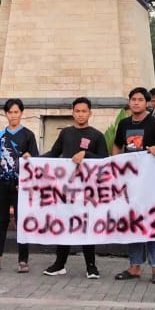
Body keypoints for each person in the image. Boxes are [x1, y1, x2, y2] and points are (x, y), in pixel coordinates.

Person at [42, 97, 108, 279]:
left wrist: (86, 155)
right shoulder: (66, 134)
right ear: (72, 113)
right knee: (64, 224)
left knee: (86, 226)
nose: (80, 114)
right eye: (77, 111)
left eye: (84, 111)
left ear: (90, 113)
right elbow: (53, 154)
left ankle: (91, 266)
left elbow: (104, 161)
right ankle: (59, 264)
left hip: (87, 190)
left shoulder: (97, 135)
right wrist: (32, 160)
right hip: (66, 189)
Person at [112, 86, 155, 284]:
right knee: (132, 221)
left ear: (147, 103)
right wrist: (116, 162)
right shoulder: (123, 124)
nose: (136, 102)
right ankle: (134, 266)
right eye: (133, 99)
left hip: (151, 184)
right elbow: (117, 145)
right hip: (130, 184)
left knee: (152, 221)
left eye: (140, 99)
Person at [0, 98, 39, 273]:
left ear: (21, 113)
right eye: (10, 112)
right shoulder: (0, 136)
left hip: (20, 186)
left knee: (21, 221)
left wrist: (29, 157)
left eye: (16, 112)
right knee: (2, 221)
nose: (13, 115)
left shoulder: (28, 135)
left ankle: (23, 260)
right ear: (6, 114)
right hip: (2, 183)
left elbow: (36, 160)